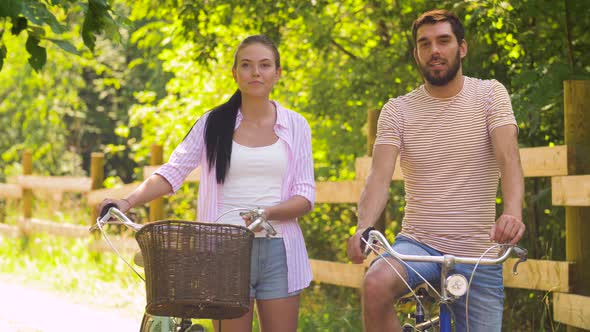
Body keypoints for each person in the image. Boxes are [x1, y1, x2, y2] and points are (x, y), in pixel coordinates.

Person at [98, 35, 315, 332]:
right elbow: (173, 171)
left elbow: (305, 196)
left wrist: (268, 212)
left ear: (277, 73)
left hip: (280, 251)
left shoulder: (296, 125)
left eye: (265, 66)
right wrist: (126, 201)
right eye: (247, 65)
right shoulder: (213, 123)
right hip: (224, 251)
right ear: (234, 73)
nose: (256, 73)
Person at [346, 9, 524, 332]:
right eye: (424, 44)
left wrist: (512, 213)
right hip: (418, 245)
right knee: (374, 284)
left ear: (462, 47)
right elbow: (378, 179)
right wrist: (363, 227)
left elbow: (509, 157)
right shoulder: (397, 110)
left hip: (478, 253)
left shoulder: (489, 95)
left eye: (444, 41)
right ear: (416, 53)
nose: (434, 51)